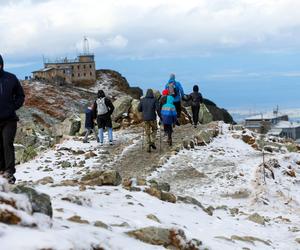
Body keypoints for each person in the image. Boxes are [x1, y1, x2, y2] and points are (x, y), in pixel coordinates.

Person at [0, 54, 25, 184]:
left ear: (1, 64)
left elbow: (20, 96)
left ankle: (9, 172)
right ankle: (1, 171)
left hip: (9, 119)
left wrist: (12, 107)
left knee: (7, 143)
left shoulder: (11, 78)